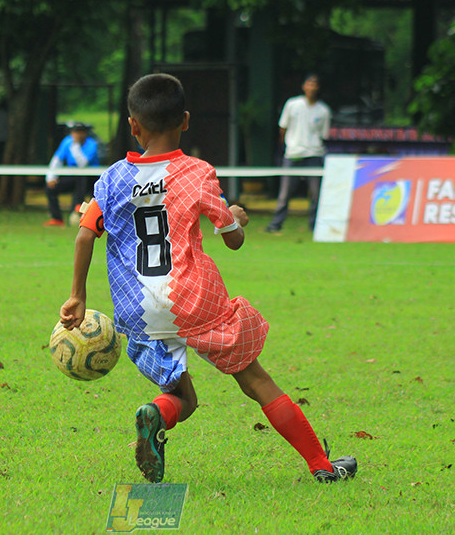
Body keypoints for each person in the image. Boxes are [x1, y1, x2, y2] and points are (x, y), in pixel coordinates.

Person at [58, 73, 357, 484]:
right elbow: (233, 240)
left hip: (138, 309)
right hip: (194, 299)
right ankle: (321, 465)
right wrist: (235, 217)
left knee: (184, 398)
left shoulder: (112, 178)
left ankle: (157, 413)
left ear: (133, 126)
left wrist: (77, 295)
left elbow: (84, 234)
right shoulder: (197, 173)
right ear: (185, 120)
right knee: (256, 380)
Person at [265, 74, 331, 234]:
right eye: (309, 84)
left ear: (318, 88)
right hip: (293, 155)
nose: (311, 88)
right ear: (304, 86)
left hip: (314, 155)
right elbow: (283, 128)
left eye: (314, 85)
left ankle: (315, 227)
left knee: (316, 194)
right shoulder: (292, 105)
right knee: (284, 194)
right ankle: (276, 225)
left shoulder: (324, 110)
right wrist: (288, 146)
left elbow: (324, 136)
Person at [44, 121, 100, 227]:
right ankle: (57, 218)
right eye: (75, 132)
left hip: (91, 179)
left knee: (81, 178)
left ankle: (78, 208)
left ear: (85, 133)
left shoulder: (91, 144)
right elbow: (57, 160)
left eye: (80, 132)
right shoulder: (67, 142)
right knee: (51, 188)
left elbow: (82, 164)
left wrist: (75, 146)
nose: (78, 135)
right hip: (74, 176)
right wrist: (51, 178)